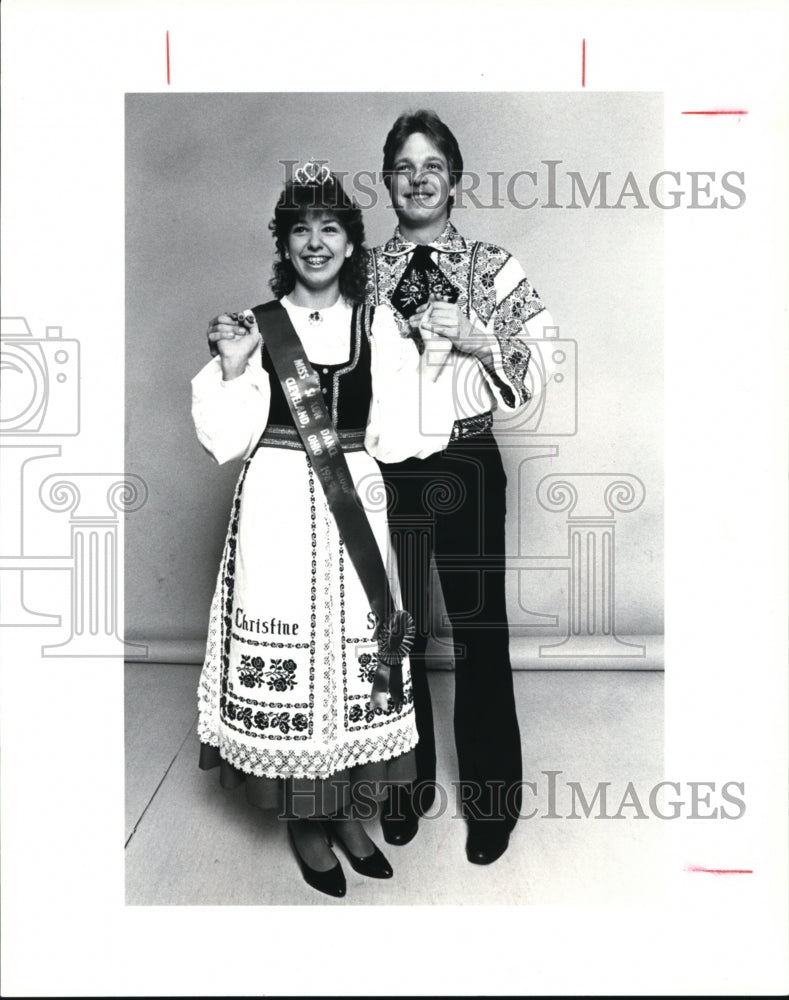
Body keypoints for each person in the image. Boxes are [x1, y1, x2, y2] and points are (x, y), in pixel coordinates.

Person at [192, 166, 434, 898]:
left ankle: (346, 813)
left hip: (354, 498)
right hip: (275, 509)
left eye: (330, 226)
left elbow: (401, 436)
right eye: (300, 227)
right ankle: (306, 821)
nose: (315, 241)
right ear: (283, 241)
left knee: (357, 662)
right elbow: (225, 439)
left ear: (351, 241)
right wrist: (235, 368)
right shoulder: (256, 325)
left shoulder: (379, 322)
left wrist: (439, 357)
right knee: (298, 659)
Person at [366, 109, 556, 865]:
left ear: (454, 179)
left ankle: (490, 802)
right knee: (394, 631)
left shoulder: (492, 265)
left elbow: (544, 363)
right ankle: (402, 788)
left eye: (432, 166)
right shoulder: (361, 272)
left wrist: (483, 338)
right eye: (404, 166)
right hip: (384, 472)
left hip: (467, 465)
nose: (417, 179)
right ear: (386, 180)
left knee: (478, 632)